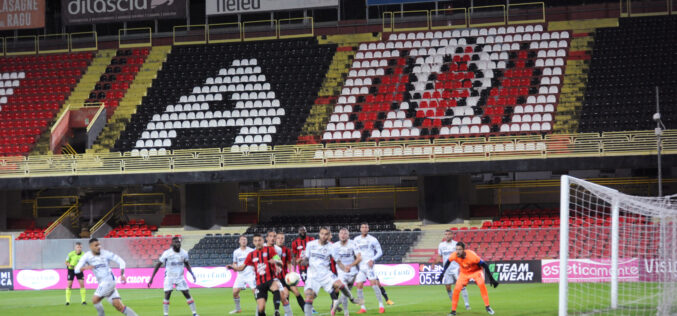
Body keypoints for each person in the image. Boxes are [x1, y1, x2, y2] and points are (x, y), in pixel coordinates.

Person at [300, 227, 363, 316]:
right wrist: (303, 262)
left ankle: (352, 299)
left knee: (340, 284)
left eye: (326, 234)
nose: (324, 236)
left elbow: (338, 261)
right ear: (319, 234)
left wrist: (344, 268)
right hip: (313, 276)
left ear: (329, 235)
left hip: (326, 275)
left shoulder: (332, 247)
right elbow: (306, 258)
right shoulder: (310, 244)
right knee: (309, 296)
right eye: (322, 233)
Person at [74, 238, 138, 316]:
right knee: (119, 306)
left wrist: (122, 275)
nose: (99, 247)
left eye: (99, 244)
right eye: (96, 245)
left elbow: (121, 261)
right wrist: (85, 268)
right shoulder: (86, 256)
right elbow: (76, 270)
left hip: (108, 281)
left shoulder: (106, 253)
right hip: (103, 283)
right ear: (91, 247)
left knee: (95, 300)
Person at [228, 233, 283, 316]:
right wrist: (232, 267)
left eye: (260, 240)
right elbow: (241, 268)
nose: (258, 242)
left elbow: (280, 262)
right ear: (253, 242)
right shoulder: (251, 255)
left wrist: (276, 261)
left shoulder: (270, 250)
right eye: (256, 241)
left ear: (263, 241)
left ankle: (276, 311)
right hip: (259, 283)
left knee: (276, 287)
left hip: (270, 279)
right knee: (261, 309)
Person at [437, 242, 499, 316]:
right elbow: (447, 263)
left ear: (464, 250)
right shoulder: (454, 255)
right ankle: (453, 311)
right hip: (464, 273)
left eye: (459, 249)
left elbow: (485, 265)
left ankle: (488, 307)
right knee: (456, 289)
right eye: (456, 249)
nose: (457, 251)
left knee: (481, 284)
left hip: (476, 271)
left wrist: (491, 278)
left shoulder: (472, 256)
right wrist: (442, 274)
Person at [148, 236, 199, 316]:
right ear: (172, 244)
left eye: (179, 242)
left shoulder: (184, 253)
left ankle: (194, 313)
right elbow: (158, 265)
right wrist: (152, 278)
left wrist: (192, 274)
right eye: (176, 242)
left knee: (186, 293)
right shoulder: (167, 253)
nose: (178, 243)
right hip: (169, 277)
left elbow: (187, 264)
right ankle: (165, 314)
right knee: (167, 294)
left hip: (180, 277)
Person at [353, 223, 386, 314]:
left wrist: (372, 259)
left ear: (368, 229)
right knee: (359, 286)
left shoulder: (373, 239)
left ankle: (381, 305)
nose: (364, 229)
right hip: (360, 267)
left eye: (366, 227)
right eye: (362, 227)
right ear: (360, 229)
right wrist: (357, 256)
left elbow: (380, 252)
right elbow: (355, 250)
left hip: (369, 266)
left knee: (374, 285)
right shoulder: (356, 239)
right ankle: (363, 307)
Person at [437, 230, 470, 310]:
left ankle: (467, 304)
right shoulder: (441, 245)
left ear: (452, 235)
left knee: (461, 286)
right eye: (446, 234)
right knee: (448, 287)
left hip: (456, 268)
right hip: (447, 269)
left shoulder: (456, 244)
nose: (447, 236)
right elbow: (439, 256)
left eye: (448, 234)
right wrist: (435, 263)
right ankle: (454, 303)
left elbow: (463, 254)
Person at [333, 227, 362, 316]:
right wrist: (344, 268)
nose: (343, 235)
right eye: (341, 233)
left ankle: (334, 306)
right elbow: (337, 260)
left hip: (353, 271)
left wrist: (350, 266)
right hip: (341, 271)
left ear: (348, 235)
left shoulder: (353, 244)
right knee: (343, 290)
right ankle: (346, 312)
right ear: (338, 235)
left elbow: (359, 257)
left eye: (345, 233)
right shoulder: (335, 246)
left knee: (346, 292)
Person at [229, 235, 256, 314]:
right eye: (242, 239)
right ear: (239, 241)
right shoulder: (236, 252)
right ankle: (238, 309)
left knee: (256, 292)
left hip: (250, 274)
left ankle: (260, 308)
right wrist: (234, 267)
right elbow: (235, 262)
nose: (243, 241)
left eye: (245, 239)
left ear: (247, 241)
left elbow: (255, 261)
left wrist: (255, 269)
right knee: (235, 292)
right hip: (240, 275)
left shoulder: (251, 251)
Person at [65, 242, 86, 306]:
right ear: (75, 248)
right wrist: (71, 266)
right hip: (71, 270)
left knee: (82, 284)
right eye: (78, 247)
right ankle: (67, 301)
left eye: (80, 247)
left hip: (79, 270)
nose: (79, 248)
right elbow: (66, 262)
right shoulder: (70, 254)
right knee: (69, 285)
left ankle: (83, 301)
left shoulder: (84, 254)